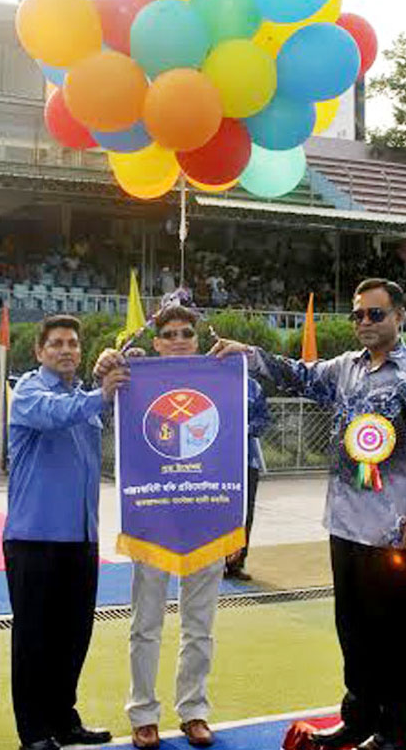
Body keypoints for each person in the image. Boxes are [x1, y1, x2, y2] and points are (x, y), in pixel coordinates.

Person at [212, 279, 406, 750]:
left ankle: (396, 733)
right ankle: (358, 719)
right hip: (343, 522)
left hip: (394, 529)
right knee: (354, 629)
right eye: (358, 315)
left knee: (396, 636)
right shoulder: (346, 370)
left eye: (375, 314)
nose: (365, 323)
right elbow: (298, 375)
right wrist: (249, 354)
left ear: (400, 316)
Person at [97, 304, 263, 750]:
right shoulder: (132, 380)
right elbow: (102, 408)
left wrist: (243, 367)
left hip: (207, 518)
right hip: (152, 518)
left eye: (185, 332)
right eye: (168, 333)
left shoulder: (225, 378)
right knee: (145, 624)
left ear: (197, 336)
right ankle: (144, 714)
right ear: (156, 341)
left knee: (200, 626)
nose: (177, 338)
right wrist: (106, 365)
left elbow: (247, 429)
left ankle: (194, 711)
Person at [4, 315, 128, 750]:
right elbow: (56, 415)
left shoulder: (86, 398)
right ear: (39, 352)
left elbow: (113, 406)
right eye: (55, 343)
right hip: (34, 538)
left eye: (72, 344)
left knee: (73, 636)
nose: (65, 350)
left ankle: (63, 719)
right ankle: (33, 731)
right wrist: (101, 393)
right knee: (33, 639)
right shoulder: (28, 393)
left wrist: (123, 369)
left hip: (81, 537)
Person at [224, 377, 269, 581]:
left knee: (244, 515)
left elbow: (264, 419)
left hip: (247, 462)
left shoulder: (253, 385)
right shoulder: (207, 379)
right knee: (215, 513)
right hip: (214, 465)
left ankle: (236, 564)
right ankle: (213, 563)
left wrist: (244, 429)